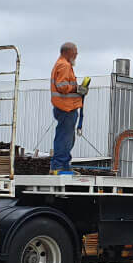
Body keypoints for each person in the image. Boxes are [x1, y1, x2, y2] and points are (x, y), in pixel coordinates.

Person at [49, 42, 88, 174]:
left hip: (66, 108)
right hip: (66, 108)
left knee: (67, 138)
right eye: (75, 52)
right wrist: (78, 88)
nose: (77, 54)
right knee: (64, 137)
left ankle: (63, 165)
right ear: (67, 52)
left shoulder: (63, 65)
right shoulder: (64, 65)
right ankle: (58, 165)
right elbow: (63, 86)